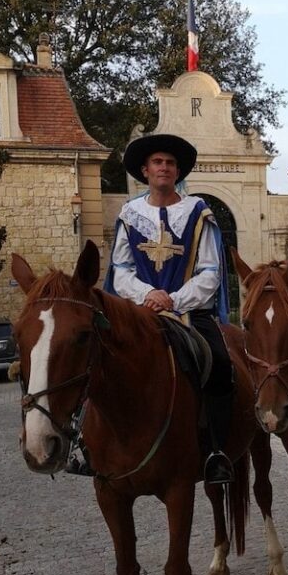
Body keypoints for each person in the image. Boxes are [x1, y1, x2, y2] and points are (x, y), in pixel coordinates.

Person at [103, 132, 234, 485]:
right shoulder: (130, 215)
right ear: (144, 171)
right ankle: (90, 445)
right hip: (140, 311)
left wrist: (173, 300)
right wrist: (150, 296)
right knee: (97, 356)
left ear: (178, 172)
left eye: (170, 163)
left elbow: (210, 271)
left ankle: (216, 450)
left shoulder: (197, 212)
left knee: (221, 364)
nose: (164, 167)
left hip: (189, 312)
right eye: (157, 162)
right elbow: (121, 270)